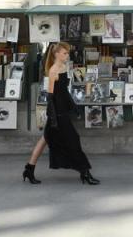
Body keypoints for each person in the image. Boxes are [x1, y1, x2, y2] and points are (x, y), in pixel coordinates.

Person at [30, 42, 100, 185]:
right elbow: (51, 97)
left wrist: (73, 107)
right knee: (74, 140)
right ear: (56, 54)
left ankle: (29, 170)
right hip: (57, 113)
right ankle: (85, 172)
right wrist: (54, 117)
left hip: (62, 111)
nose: (67, 55)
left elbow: (63, 91)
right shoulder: (53, 70)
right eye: (64, 53)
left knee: (44, 140)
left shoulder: (63, 67)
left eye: (67, 53)